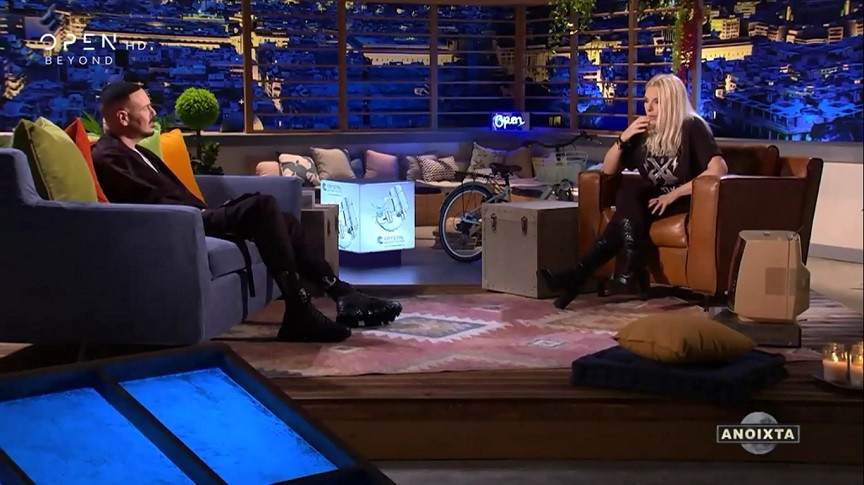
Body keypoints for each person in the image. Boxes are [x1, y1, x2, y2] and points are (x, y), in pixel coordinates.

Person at [91, 81, 402, 343]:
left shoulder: (138, 152)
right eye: (146, 107)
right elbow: (148, 202)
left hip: (193, 215)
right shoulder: (108, 156)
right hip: (181, 223)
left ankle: (341, 294)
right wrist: (203, 214)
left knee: (282, 219)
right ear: (122, 117)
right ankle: (300, 309)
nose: (153, 113)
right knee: (262, 206)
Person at [539, 73, 728, 309]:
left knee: (626, 207)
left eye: (657, 101)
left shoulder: (692, 126)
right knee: (628, 192)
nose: (649, 108)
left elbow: (718, 168)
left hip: (686, 201)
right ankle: (624, 269)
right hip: (654, 202)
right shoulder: (642, 133)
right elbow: (608, 170)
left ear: (671, 102)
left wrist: (674, 194)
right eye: (646, 101)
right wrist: (624, 138)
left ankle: (578, 277)